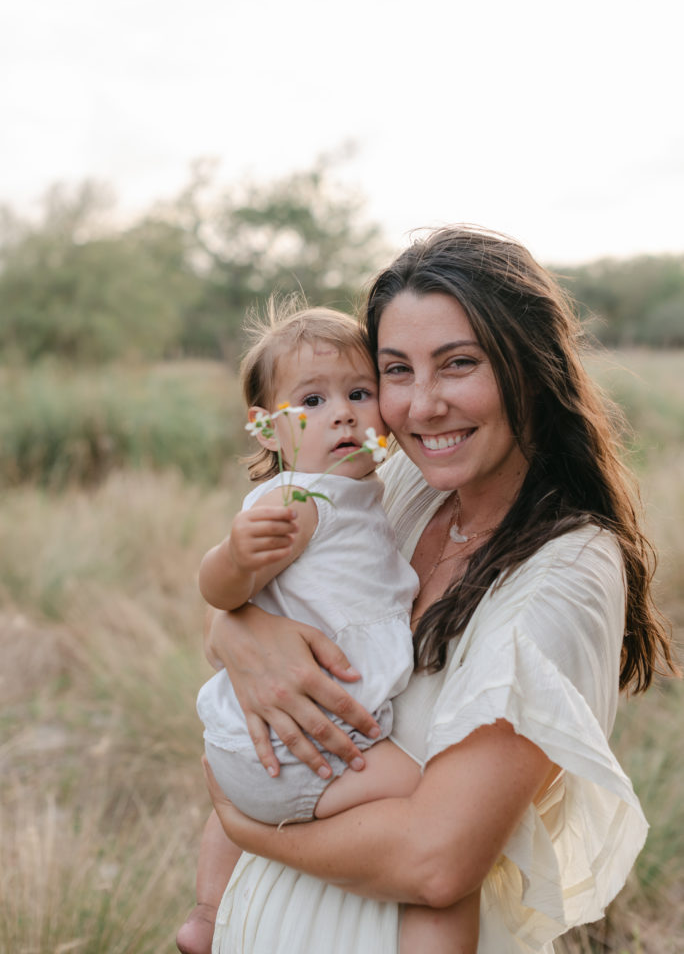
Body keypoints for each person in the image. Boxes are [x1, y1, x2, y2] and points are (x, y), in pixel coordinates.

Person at [201, 226, 678, 953]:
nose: (422, 407)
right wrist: (242, 633)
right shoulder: (396, 487)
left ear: (531, 368)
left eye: (458, 364)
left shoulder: (568, 570)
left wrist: (249, 826)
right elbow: (256, 606)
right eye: (396, 370)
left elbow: (436, 863)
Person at [177, 303, 481, 954]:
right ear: (266, 430)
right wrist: (232, 558)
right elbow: (219, 588)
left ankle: (207, 914)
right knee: (439, 824)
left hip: (250, 751)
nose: (341, 412)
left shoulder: (365, 486)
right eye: (311, 400)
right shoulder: (299, 500)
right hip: (305, 748)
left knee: (230, 805)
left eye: (359, 392)